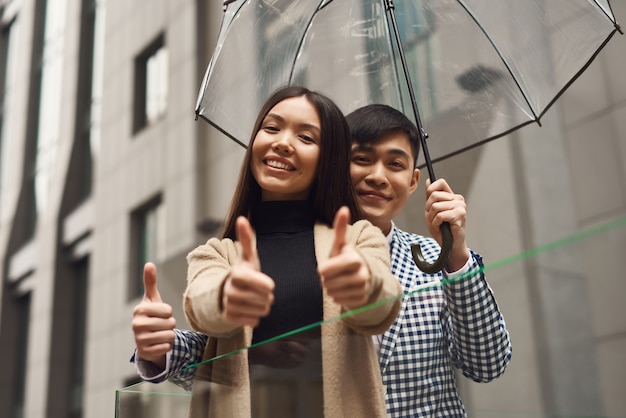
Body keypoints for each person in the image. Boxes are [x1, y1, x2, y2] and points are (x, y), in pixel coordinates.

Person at [131, 103, 512, 417]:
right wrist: (159, 350)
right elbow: (220, 350)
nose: (377, 176)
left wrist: (457, 253)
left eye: (395, 165)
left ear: (414, 182)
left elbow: (488, 364)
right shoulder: (291, 254)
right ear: (331, 167)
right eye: (361, 159)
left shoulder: (435, 259)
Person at [134, 86, 403, 418]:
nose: (282, 142)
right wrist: (228, 295)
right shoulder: (216, 253)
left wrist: (363, 285)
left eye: (306, 138)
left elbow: (382, 305)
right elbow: (202, 305)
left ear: (328, 160)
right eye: (272, 127)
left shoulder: (358, 238)